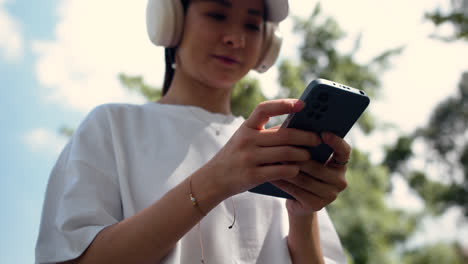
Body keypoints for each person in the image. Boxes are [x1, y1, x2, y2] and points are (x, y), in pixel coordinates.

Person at [35, 0, 350, 263]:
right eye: (217, 14)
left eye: (252, 26)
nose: (236, 39)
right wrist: (214, 181)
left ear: (268, 44)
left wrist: (304, 210)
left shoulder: (273, 148)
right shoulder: (112, 126)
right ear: (170, 20)